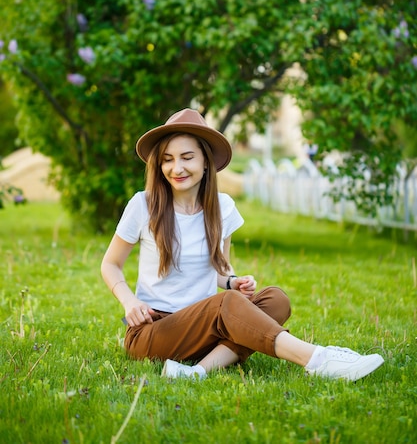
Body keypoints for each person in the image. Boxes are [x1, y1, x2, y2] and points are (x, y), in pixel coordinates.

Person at [101, 109, 384, 381]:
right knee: (227, 305)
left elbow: (219, 270)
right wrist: (130, 302)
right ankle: (318, 359)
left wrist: (233, 282)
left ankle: (196, 371)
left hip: (206, 330)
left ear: (205, 161)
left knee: (275, 300)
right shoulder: (144, 204)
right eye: (167, 159)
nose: (177, 168)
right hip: (153, 332)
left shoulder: (222, 207)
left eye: (187, 157)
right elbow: (110, 264)